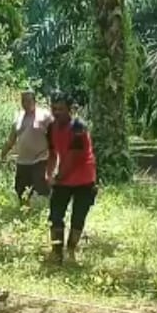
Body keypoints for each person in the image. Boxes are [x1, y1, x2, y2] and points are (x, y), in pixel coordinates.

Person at [45, 93, 97, 264]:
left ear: (69, 109)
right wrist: (49, 174)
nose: (57, 112)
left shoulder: (78, 127)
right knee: (55, 215)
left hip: (83, 178)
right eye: (54, 109)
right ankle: (57, 252)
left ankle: (71, 251)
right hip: (64, 179)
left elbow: (74, 159)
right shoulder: (52, 128)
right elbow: (52, 153)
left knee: (78, 217)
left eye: (60, 109)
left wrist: (58, 177)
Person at [0, 90, 52, 206]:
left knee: (41, 185)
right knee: (20, 188)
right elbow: (11, 140)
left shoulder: (45, 116)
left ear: (34, 101)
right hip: (23, 160)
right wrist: (3, 154)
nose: (26, 103)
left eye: (29, 100)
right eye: (23, 101)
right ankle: (25, 211)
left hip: (41, 158)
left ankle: (48, 210)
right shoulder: (18, 118)